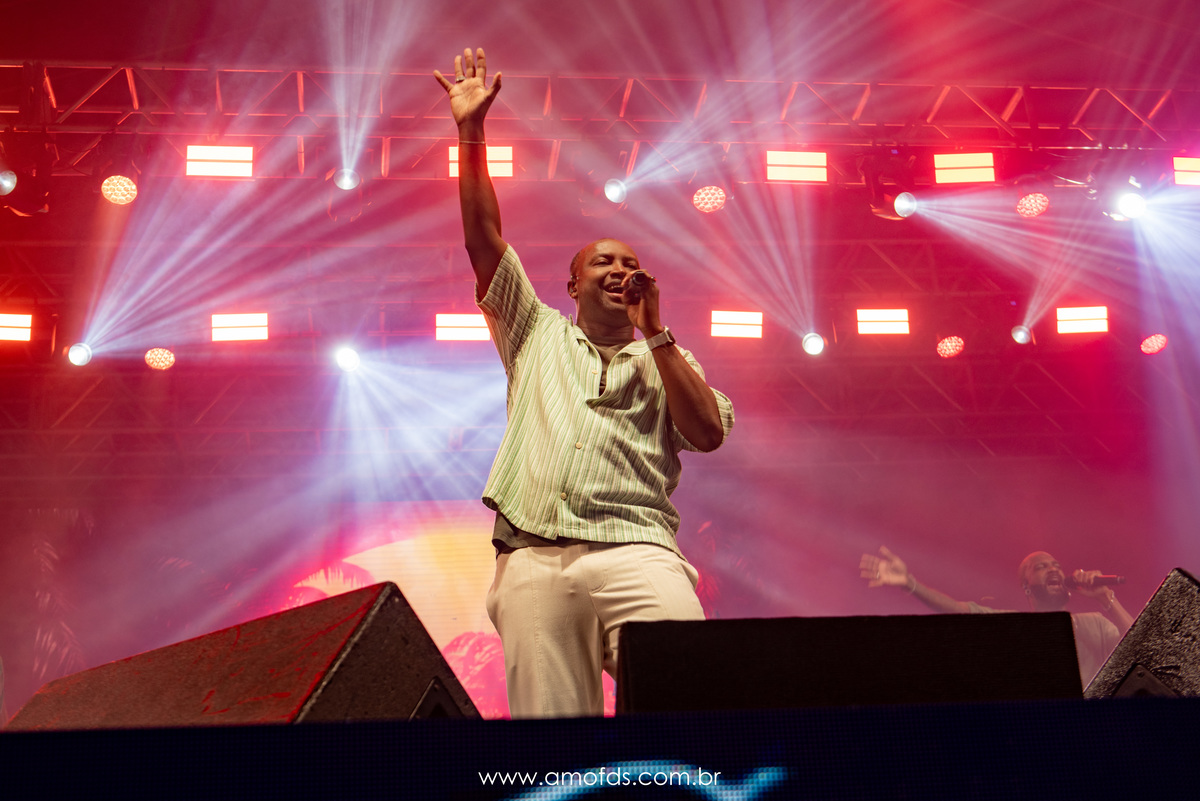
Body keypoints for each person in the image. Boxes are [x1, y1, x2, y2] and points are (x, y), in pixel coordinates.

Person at [434, 48, 735, 718]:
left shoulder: (668, 357)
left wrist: (656, 333)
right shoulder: (535, 330)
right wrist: (471, 133)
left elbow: (709, 433)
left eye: (630, 263)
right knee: (554, 744)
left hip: (639, 547)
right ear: (573, 285)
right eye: (602, 262)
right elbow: (483, 238)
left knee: (692, 700)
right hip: (534, 557)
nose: (619, 269)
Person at [859, 546, 1135, 685]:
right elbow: (957, 609)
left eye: (1056, 565)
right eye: (1041, 567)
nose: (1053, 569)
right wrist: (910, 584)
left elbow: (1142, 649)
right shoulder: (1013, 626)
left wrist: (1105, 598)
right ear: (1026, 586)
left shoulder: (1096, 623)